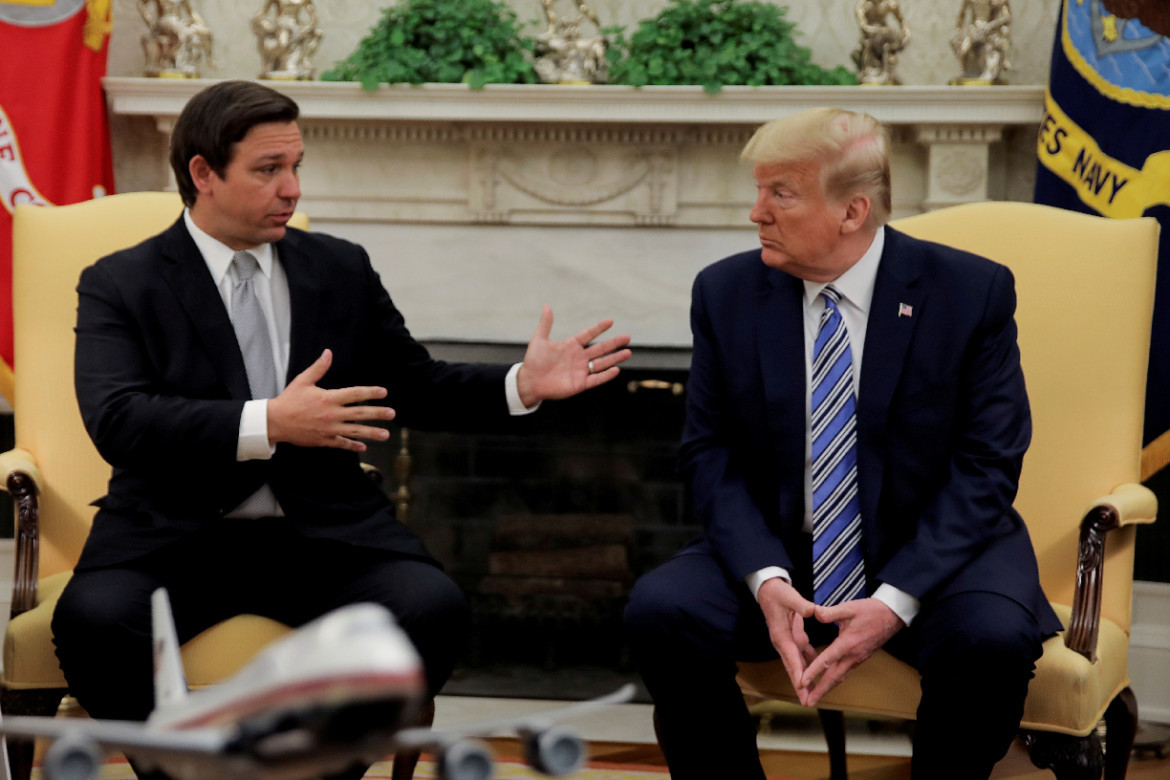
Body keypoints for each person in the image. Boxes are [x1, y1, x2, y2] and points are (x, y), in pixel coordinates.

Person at [52, 79, 631, 779]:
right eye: (269, 170)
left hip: (322, 534)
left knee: (430, 608)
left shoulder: (339, 267)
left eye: (297, 166)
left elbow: (410, 384)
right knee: (93, 622)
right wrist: (270, 421)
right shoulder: (121, 281)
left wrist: (521, 384)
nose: (292, 189)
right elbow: (119, 419)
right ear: (203, 174)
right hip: (173, 535)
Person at [623, 107, 1061, 780]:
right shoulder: (726, 292)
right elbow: (707, 452)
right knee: (662, 611)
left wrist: (893, 603)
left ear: (852, 211)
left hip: (934, 553)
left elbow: (987, 466)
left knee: (992, 640)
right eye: (758, 191)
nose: (755, 213)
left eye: (781, 194)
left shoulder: (969, 293)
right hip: (782, 547)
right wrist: (766, 579)